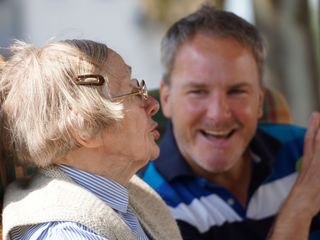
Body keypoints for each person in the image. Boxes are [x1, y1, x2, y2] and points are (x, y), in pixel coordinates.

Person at [140, 5, 320, 239]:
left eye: (237, 91)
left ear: (259, 100)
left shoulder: (305, 153)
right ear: (166, 98)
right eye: (198, 91)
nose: (218, 114)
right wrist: (300, 208)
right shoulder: (152, 208)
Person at [0, 39, 182, 240]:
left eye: (142, 88)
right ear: (85, 128)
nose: (152, 104)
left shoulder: (119, 202)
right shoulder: (67, 233)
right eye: (134, 93)